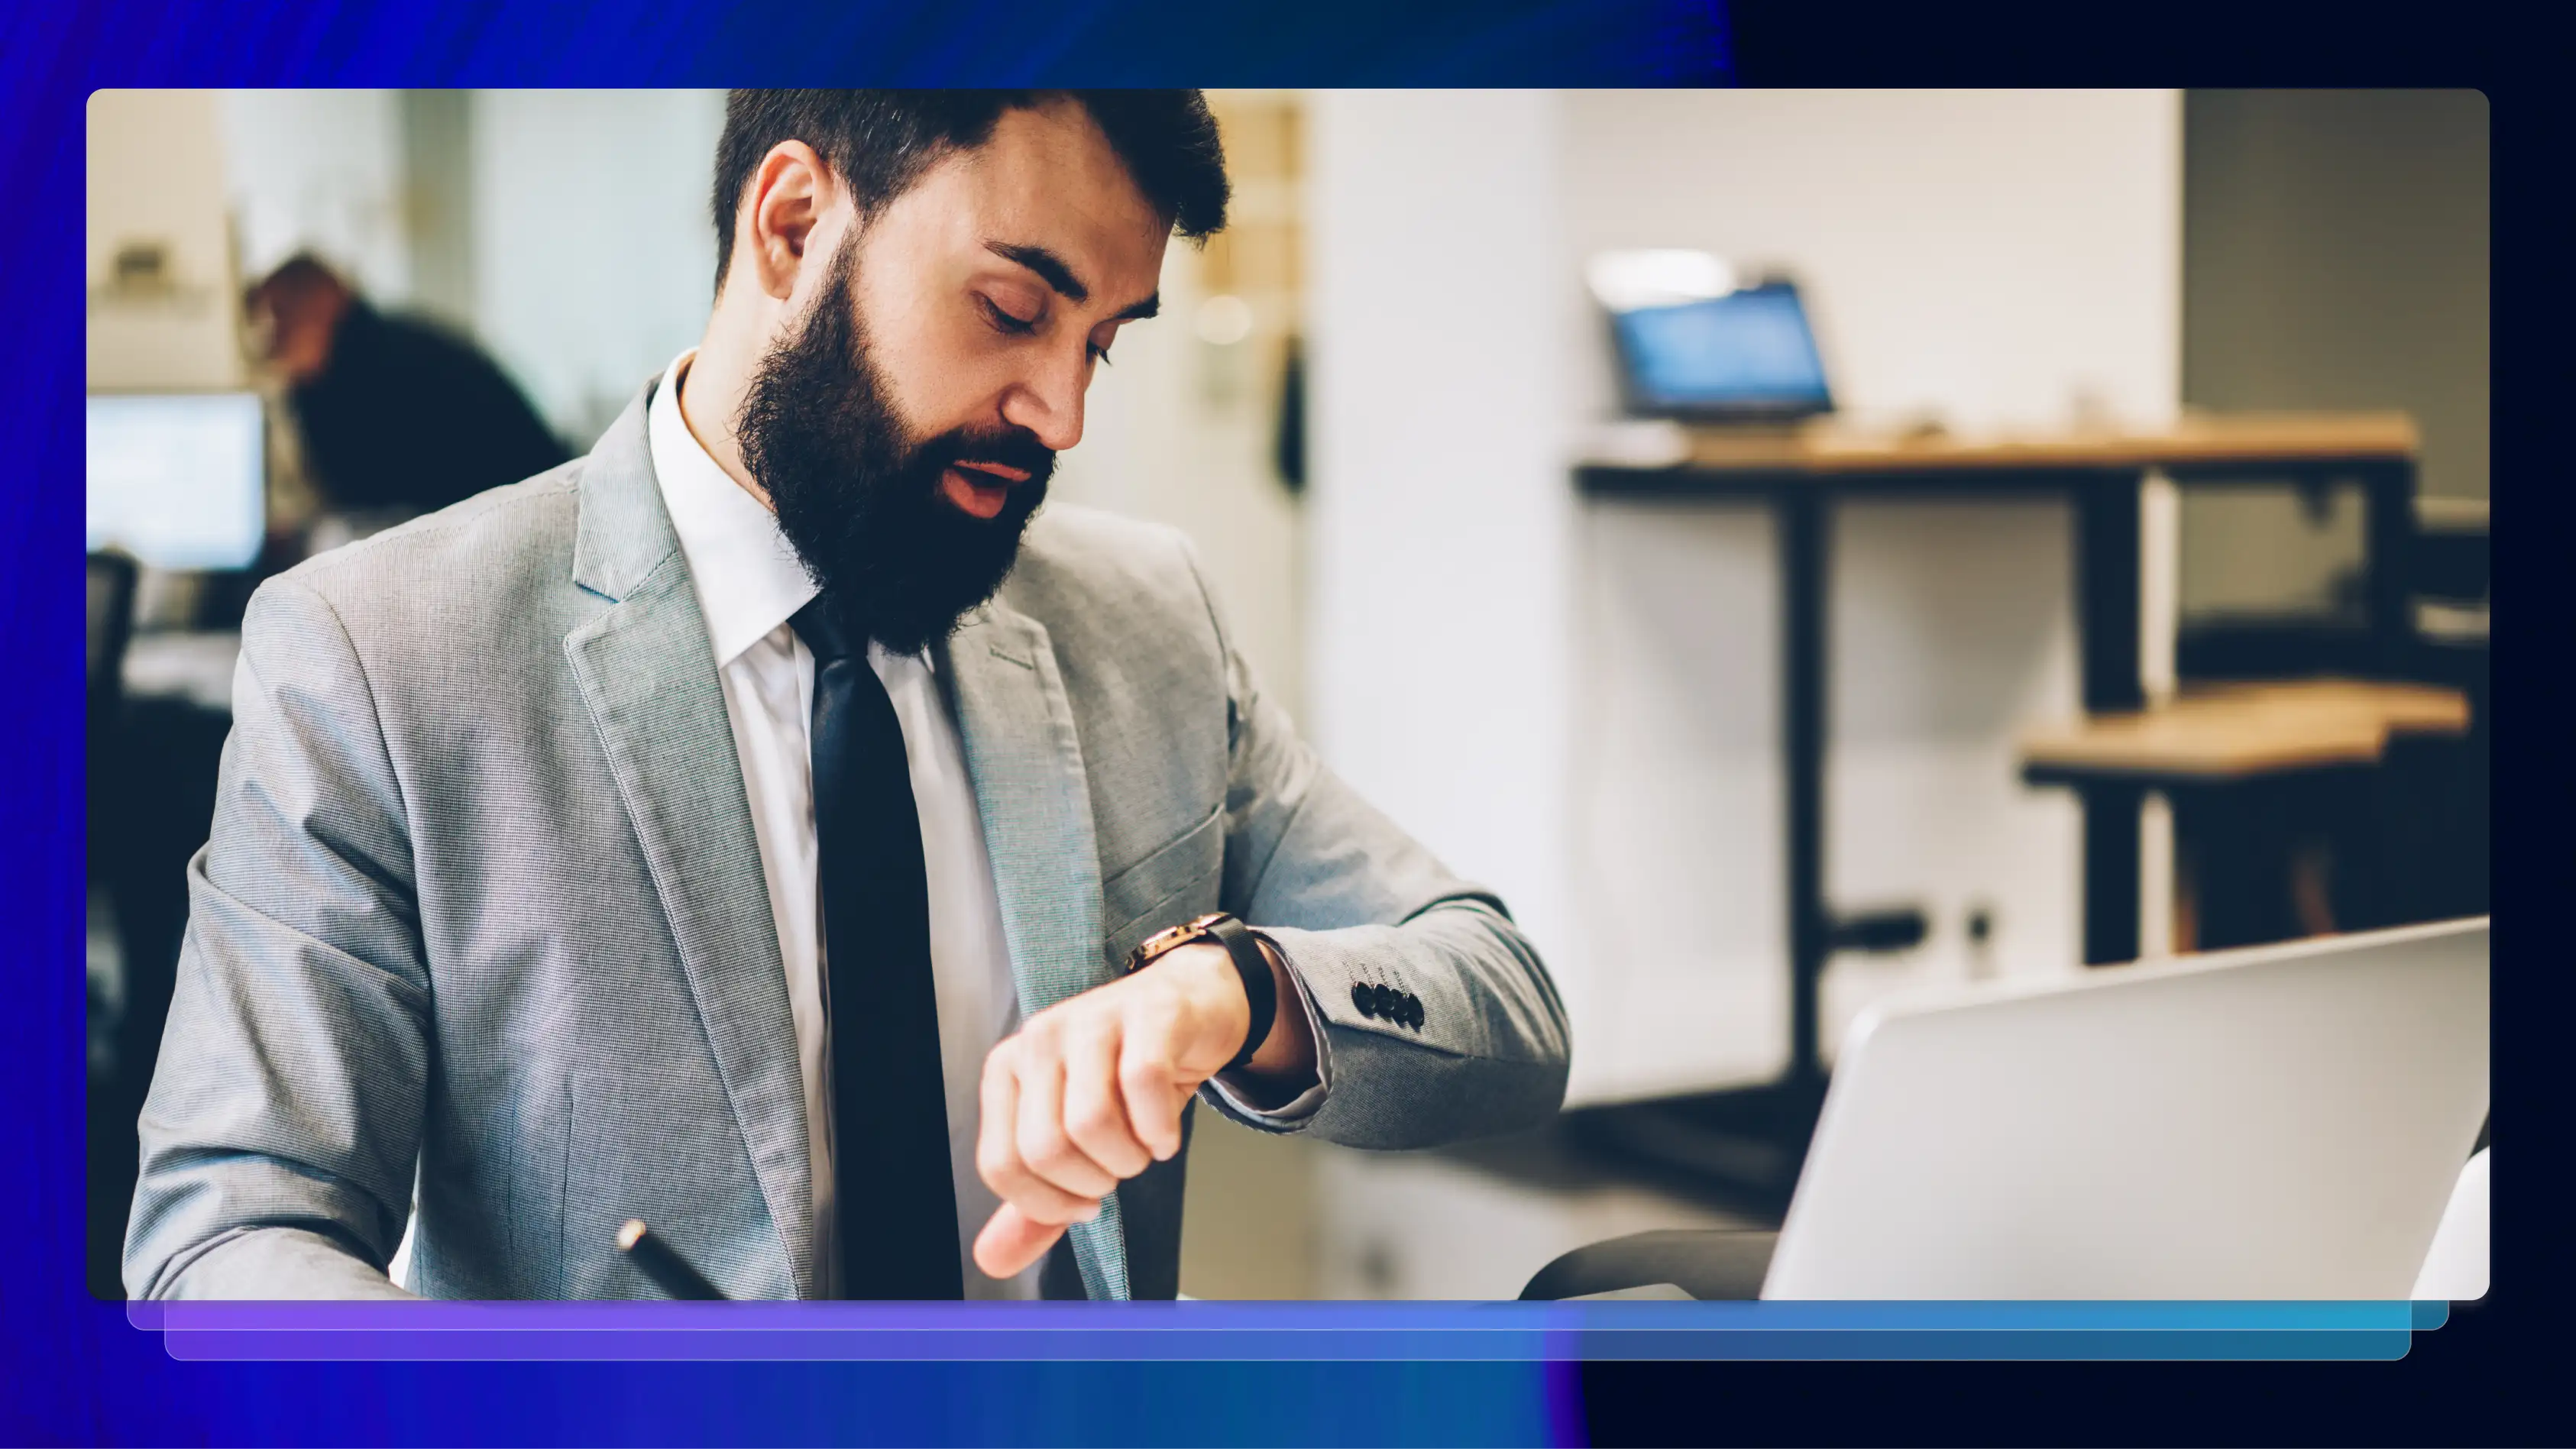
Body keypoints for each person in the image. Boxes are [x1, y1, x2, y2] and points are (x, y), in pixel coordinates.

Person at [125, 89, 1570, 1302]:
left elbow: (1504, 1002)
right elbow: (232, 1231)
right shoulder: (385, 651)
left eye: (1104, 340)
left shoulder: (1144, 623)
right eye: (1013, 308)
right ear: (794, 223)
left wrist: (1234, 988)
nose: (1063, 411)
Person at [247, 253, 571, 520]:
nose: (273, 341)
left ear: (322, 306)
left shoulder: (385, 370)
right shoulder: (384, 348)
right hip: (526, 507)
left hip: (525, 516)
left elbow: (363, 495)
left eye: (281, 319)